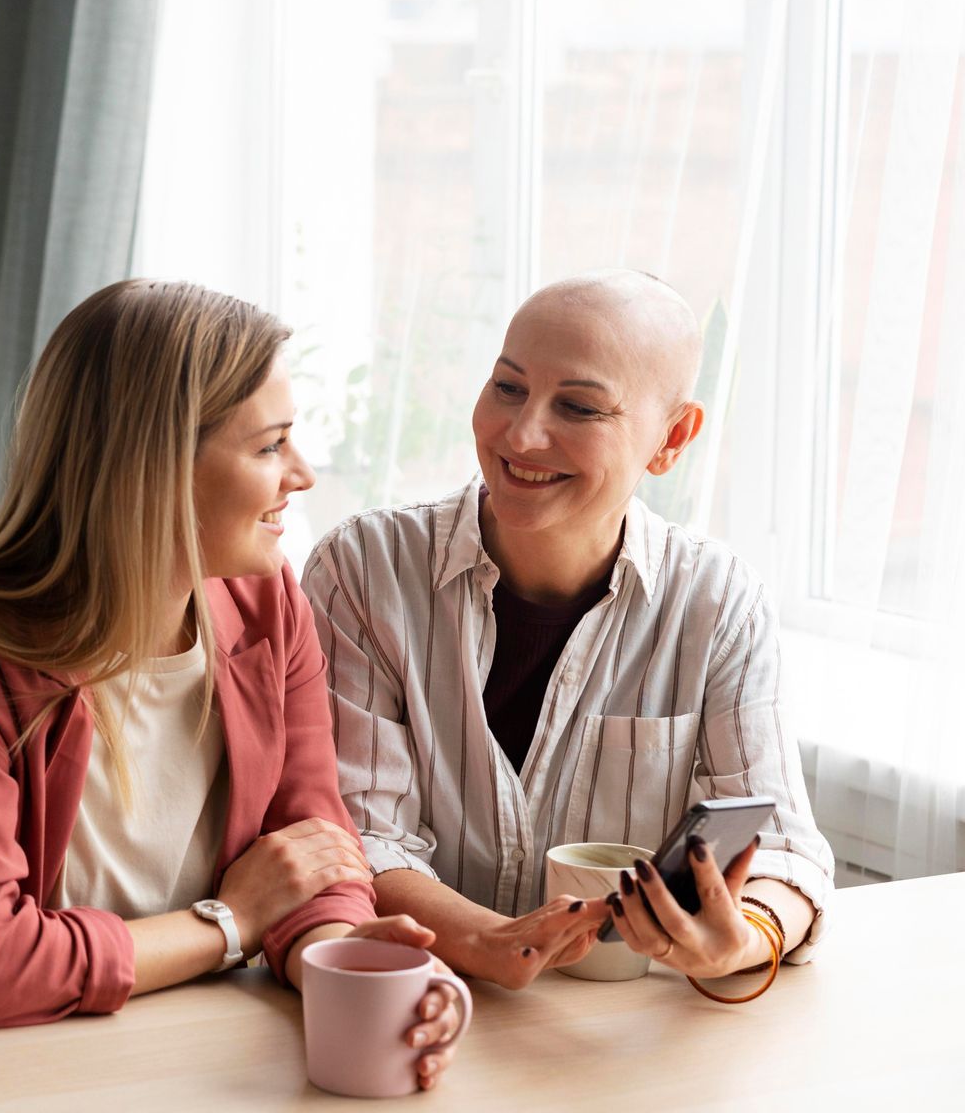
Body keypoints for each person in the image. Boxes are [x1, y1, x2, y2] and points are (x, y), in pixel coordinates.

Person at [0, 280, 464, 1089]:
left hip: (116, 1054)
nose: (302, 475)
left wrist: (344, 964)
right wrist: (230, 922)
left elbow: (311, 848)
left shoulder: (269, 605)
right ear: (156, 468)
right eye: (270, 447)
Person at [304, 270, 833, 993]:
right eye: (507, 387)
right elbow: (353, 837)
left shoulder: (718, 601)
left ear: (672, 438)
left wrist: (743, 938)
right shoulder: (364, 569)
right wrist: (491, 941)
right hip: (416, 999)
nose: (521, 435)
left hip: (617, 1026)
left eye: (579, 407)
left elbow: (785, 850)